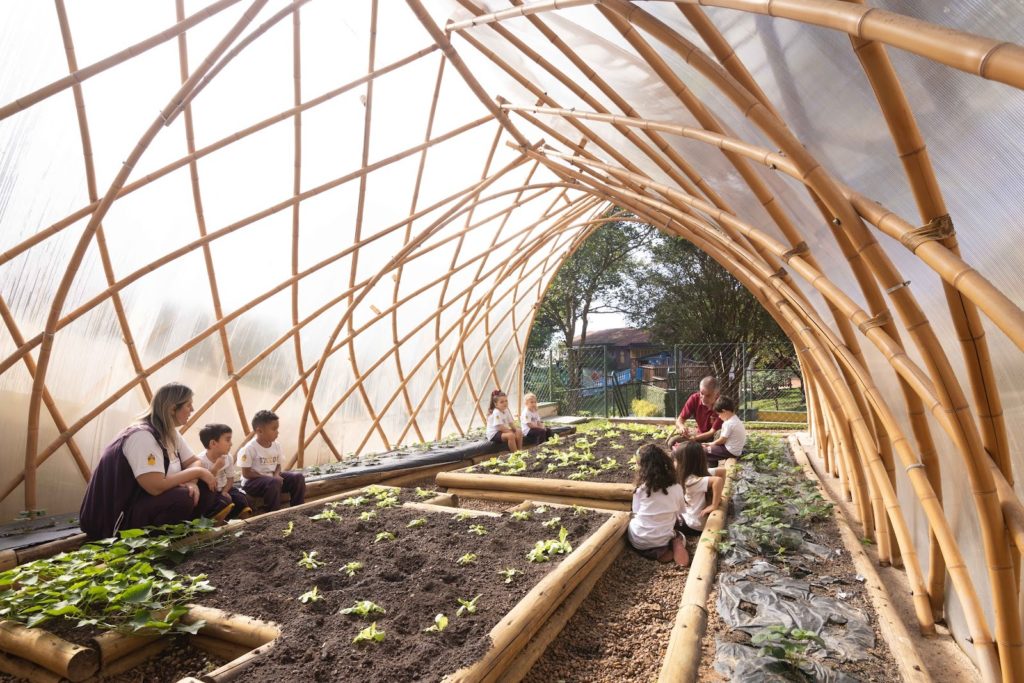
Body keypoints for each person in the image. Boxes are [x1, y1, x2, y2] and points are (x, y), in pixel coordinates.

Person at [79, 383, 221, 539]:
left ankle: (183, 533)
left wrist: (192, 482)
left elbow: (193, 460)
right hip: (115, 517)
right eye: (188, 405)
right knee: (183, 497)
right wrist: (197, 472)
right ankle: (148, 542)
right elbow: (155, 486)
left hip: (143, 504)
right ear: (172, 409)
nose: (192, 410)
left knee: (206, 487)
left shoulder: (169, 432)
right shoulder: (142, 436)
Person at [626, 444, 689, 565]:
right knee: (678, 533)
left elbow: (636, 511)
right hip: (662, 538)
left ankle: (655, 552)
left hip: (638, 539)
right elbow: (680, 512)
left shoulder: (641, 490)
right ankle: (675, 543)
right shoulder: (677, 488)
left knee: (638, 524)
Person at [237, 410, 306, 512]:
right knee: (273, 482)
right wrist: (269, 477)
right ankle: (273, 514)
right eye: (274, 429)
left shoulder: (276, 445)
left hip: (272, 480)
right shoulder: (249, 449)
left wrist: (277, 474)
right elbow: (246, 473)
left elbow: (278, 464)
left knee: (298, 477)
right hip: (252, 483)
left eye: (277, 429)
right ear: (259, 431)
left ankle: (298, 509)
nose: (277, 432)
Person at [198, 423, 252, 520]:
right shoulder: (201, 461)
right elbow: (205, 485)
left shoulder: (228, 457)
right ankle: (218, 524)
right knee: (223, 502)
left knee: (241, 499)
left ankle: (246, 523)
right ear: (213, 443)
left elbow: (230, 478)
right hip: (211, 492)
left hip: (225, 488)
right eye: (227, 440)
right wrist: (216, 467)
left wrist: (225, 491)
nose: (231, 443)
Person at [673, 440, 726, 535]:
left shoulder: (690, 481)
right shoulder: (700, 473)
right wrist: (718, 496)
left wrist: (714, 505)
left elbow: (717, 480)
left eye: (676, 460)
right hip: (698, 519)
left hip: (694, 524)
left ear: (684, 463)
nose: (674, 463)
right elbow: (723, 471)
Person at [667, 376, 722, 448]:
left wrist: (694, 438)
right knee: (672, 442)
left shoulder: (722, 405)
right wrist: (682, 427)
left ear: (717, 395)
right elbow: (680, 420)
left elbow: (712, 432)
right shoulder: (694, 398)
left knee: (718, 436)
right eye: (702, 393)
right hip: (699, 436)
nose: (703, 398)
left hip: (714, 439)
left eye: (708, 396)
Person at [704, 396, 746, 467]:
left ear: (724, 411)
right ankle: (712, 468)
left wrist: (711, 443)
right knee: (711, 450)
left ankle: (709, 470)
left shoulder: (728, 423)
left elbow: (722, 440)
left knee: (704, 451)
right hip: (736, 450)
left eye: (719, 414)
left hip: (730, 451)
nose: (719, 417)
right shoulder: (735, 419)